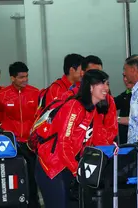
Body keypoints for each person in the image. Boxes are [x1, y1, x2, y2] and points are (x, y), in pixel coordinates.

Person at [35, 70, 110, 208]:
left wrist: (112, 151)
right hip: (52, 167)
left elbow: (98, 140)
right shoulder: (74, 106)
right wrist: (78, 170)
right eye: (101, 83)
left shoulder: (93, 110)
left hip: (69, 166)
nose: (106, 88)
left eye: (107, 84)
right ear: (90, 87)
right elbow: (63, 143)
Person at [0, 61, 40, 208]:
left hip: (31, 144)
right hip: (12, 143)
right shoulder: (2, 95)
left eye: (26, 77)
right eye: (21, 77)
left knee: (31, 177)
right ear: (12, 78)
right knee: (12, 176)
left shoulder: (35, 93)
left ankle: (33, 204)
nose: (25, 80)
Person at [58, 55, 118, 145]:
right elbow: (64, 135)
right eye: (93, 73)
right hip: (72, 151)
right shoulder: (70, 97)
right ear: (82, 73)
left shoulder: (108, 99)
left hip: (98, 152)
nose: (97, 77)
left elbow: (111, 128)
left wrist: (100, 149)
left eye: (99, 73)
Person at [114, 74, 133, 144]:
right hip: (124, 139)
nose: (125, 79)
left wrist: (115, 119)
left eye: (127, 76)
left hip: (136, 141)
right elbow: (112, 104)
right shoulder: (125, 94)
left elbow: (137, 120)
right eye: (124, 76)